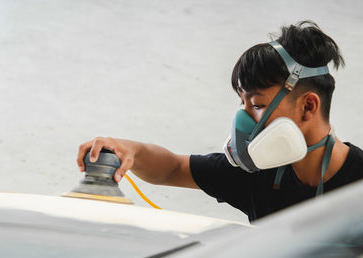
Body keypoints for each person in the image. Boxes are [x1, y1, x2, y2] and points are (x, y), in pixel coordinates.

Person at [77, 21, 363, 222]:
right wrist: (131, 150)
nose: (244, 119)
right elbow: (172, 168)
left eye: (258, 105)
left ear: (308, 106)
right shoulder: (258, 175)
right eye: (243, 105)